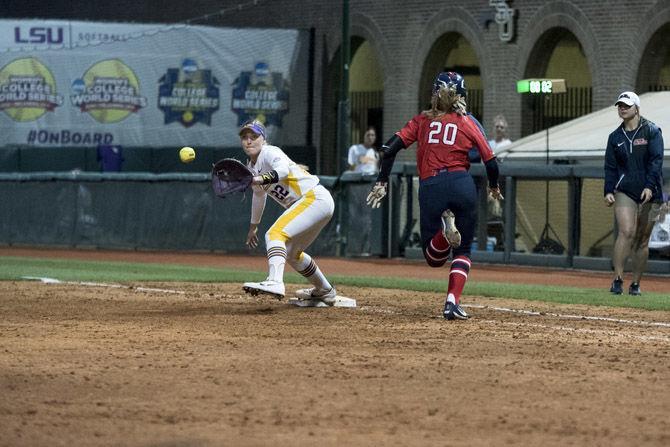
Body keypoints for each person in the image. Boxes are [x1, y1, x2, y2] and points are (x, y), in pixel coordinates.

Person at [366, 71, 503, 320]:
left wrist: (382, 180)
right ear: (461, 96)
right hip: (462, 184)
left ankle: (443, 234)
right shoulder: (469, 121)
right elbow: (491, 161)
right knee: (463, 252)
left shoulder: (421, 120)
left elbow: (388, 150)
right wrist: (493, 187)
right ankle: (452, 302)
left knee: (432, 257)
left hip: (431, 185)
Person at [239, 120, 337, 304]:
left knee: (275, 234)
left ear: (264, 140)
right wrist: (254, 227)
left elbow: (282, 171)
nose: (249, 141)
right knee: (292, 253)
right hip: (315, 203)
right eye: (244, 137)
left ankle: (275, 282)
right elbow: (259, 196)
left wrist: (259, 179)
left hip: (313, 198)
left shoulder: (270, 152)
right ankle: (325, 290)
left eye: (254, 136)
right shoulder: (252, 168)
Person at [604, 91, 665, 296]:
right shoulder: (614, 137)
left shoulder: (652, 131)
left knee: (643, 239)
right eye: (620, 105)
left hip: (653, 191)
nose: (622, 108)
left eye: (626, 105)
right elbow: (610, 167)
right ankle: (618, 279)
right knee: (626, 231)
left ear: (636, 108)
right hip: (625, 189)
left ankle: (636, 284)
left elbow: (656, 161)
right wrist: (608, 190)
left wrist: (649, 186)